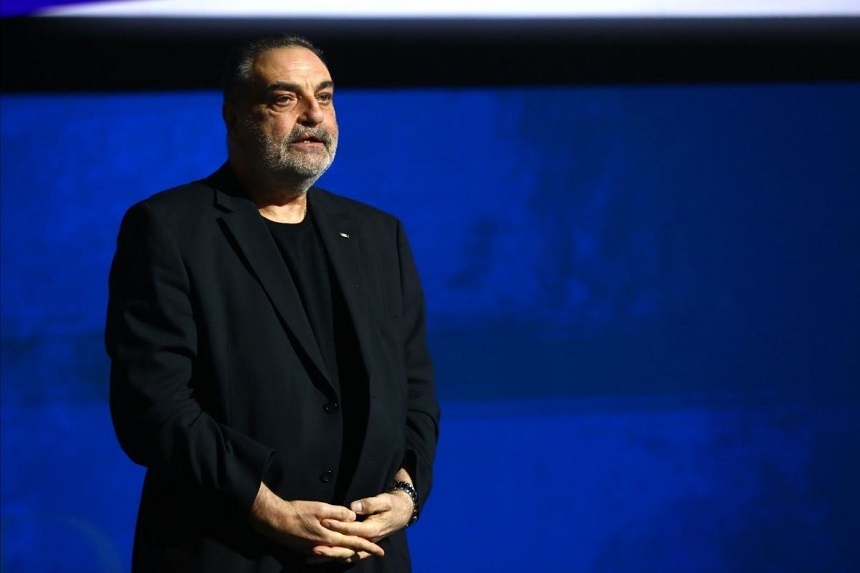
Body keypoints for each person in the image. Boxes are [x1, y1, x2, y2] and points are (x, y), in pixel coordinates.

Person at [105, 33, 440, 572]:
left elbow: (415, 389)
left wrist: (406, 494)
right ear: (234, 115)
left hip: (366, 552)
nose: (313, 115)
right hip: (229, 549)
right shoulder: (169, 229)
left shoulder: (380, 235)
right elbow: (153, 407)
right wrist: (269, 510)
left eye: (324, 96)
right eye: (286, 98)